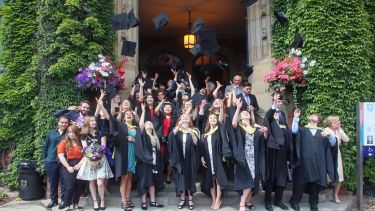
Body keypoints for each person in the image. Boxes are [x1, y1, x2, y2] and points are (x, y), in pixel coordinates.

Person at [290, 109, 337, 211]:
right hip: (303, 162)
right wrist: (296, 118)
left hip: (318, 162)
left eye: (316, 115)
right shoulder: (302, 130)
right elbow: (293, 131)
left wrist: (331, 134)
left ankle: (314, 203)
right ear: (308, 118)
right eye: (311, 115)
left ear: (319, 120)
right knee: (300, 183)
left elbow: (333, 144)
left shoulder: (323, 132)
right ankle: (295, 201)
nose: (313, 116)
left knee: (315, 184)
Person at [230, 99, 267, 211]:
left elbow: (264, 139)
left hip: (255, 158)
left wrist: (265, 131)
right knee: (248, 179)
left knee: (254, 179)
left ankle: (247, 201)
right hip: (243, 157)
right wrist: (237, 108)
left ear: (250, 117)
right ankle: (242, 203)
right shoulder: (240, 127)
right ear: (241, 117)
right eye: (243, 113)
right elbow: (233, 123)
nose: (245, 114)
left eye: (246, 113)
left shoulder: (256, 128)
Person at [76, 113, 114, 210]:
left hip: (101, 159)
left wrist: (98, 156)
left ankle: (102, 200)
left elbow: (103, 146)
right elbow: (85, 149)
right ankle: (95, 201)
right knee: (91, 181)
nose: (94, 122)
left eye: (94, 121)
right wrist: (91, 157)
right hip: (89, 161)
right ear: (87, 123)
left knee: (100, 182)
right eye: (92, 121)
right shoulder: (83, 136)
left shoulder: (101, 133)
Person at [262, 94, 293, 211]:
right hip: (272, 149)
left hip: (282, 150)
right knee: (271, 177)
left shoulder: (283, 114)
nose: (279, 104)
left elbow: (285, 129)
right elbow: (269, 118)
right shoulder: (269, 113)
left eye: (280, 102)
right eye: (277, 102)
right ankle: (268, 201)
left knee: (281, 176)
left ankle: (278, 200)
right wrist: (273, 104)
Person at [200, 102, 232, 210]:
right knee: (211, 179)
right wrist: (202, 157)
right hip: (208, 159)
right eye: (211, 118)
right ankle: (213, 199)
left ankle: (218, 199)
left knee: (218, 179)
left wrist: (222, 108)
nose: (212, 119)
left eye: (214, 118)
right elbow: (203, 148)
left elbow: (221, 120)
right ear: (208, 120)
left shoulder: (220, 130)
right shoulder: (205, 133)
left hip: (218, 158)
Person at [106, 107, 137, 211]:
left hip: (133, 154)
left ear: (133, 117)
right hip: (124, 154)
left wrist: (134, 140)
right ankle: (123, 201)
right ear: (124, 117)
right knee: (124, 178)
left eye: (130, 114)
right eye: (126, 114)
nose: (129, 115)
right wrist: (101, 106)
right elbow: (110, 120)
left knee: (130, 178)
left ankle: (128, 198)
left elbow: (140, 142)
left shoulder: (136, 128)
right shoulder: (121, 126)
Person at [135, 104, 165, 210]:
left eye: (150, 123)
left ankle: (153, 201)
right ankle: (143, 202)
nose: (148, 124)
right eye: (147, 123)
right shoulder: (143, 135)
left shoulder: (155, 137)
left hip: (154, 162)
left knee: (152, 182)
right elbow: (141, 125)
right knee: (144, 181)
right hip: (145, 161)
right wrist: (143, 111)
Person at [168, 114, 200, 210]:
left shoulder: (193, 130)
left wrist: (192, 133)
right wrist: (179, 125)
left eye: (187, 117)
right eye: (183, 117)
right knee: (181, 178)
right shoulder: (177, 130)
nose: (185, 118)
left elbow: (196, 143)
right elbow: (170, 138)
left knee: (190, 177)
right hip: (179, 159)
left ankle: (190, 198)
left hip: (190, 158)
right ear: (180, 119)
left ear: (190, 120)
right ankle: (182, 199)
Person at [43, 116, 69, 209]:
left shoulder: (69, 134)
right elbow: (45, 146)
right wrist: (45, 159)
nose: (64, 124)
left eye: (66, 122)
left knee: (63, 182)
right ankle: (53, 200)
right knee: (53, 182)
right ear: (58, 123)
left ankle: (63, 200)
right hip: (51, 161)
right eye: (62, 122)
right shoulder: (51, 133)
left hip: (64, 162)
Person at [57, 126, 84, 211]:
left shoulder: (81, 142)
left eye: (73, 132)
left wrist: (79, 164)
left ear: (76, 133)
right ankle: (67, 205)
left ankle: (76, 204)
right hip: (68, 164)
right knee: (70, 186)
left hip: (80, 164)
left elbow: (87, 155)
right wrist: (68, 167)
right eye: (69, 132)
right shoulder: (63, 142)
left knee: (79, 186)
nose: (71, 134)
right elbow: (60, 155)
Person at [324, 115, 349, 204]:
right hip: (328, 155)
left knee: (339, 176)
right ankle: (320, 193)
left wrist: (340, 130)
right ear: (331, 123)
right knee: (326, 175)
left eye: (338, 121)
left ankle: (335, 195)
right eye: (336, 122)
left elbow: (346, 139)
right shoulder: (326, 130)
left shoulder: (339, 130)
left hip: (337, 155)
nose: (338, 123)